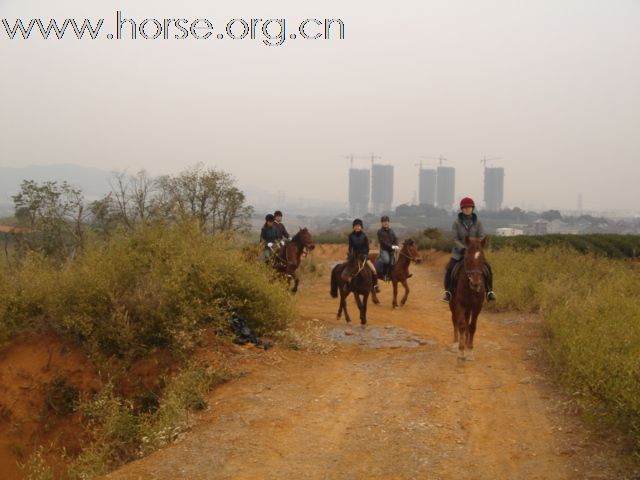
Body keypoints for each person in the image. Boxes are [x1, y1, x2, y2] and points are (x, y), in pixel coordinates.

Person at [443, 197, 496, 303]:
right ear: (462, 209)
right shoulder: (456, 223)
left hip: (474, 253)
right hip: (459, 253)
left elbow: (481, 236)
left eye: (469, 207)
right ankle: (448, 292)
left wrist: (474, 246)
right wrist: (463, 248)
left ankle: (489, 291)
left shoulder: (478, 223)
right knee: (449, 269)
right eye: (465, 208)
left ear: (473, 208)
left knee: (488, 269)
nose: (467, 209)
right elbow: (454, 238)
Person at [346, 219, 380, 292]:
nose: (357, 227)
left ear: (361, 227)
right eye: (355, 226)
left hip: (363, 256)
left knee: (374, 270)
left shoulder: (364, 236)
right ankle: (347, 285)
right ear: (353, 227)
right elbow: (350, 247)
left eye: (358, 226)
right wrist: (351, 255)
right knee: (347, 270)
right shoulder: (351, 236)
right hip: (354, 257)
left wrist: (364, 254)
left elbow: (367, 248)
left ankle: (375, 285)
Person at [377, 215, 399, 280]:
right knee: (387, 260)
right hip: (384, 250)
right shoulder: (380, 232)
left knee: (396, 260)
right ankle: (384, 275)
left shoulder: (391, 231)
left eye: (386, 221)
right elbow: (383, 242)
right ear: (381, 223)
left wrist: (396, 245)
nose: (385, 223)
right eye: (383, 222)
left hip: (392, 249)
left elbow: (396, 239)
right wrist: (392, 247)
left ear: (389, 222)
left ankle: (394, 274)